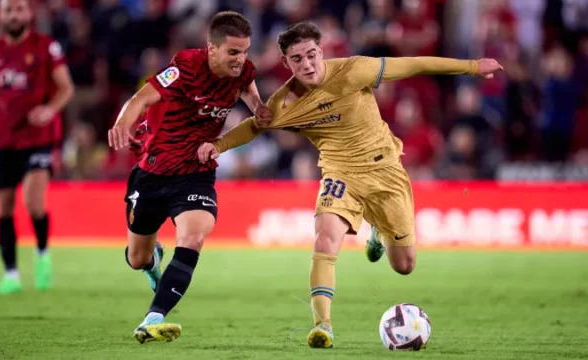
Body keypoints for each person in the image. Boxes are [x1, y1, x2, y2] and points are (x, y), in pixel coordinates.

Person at [197, 21, 503, 349]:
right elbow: (252, 128)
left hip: (386, 173)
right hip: (339, 175)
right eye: (297, 59)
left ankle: (378, 229)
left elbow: (415, 64)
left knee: (404, 266)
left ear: (322, 51)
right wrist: (219, 145)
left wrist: (472, 67)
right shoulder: (284, 104)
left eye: (311, 54)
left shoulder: (355, 71)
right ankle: (322, 325)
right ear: (286, 63)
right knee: (325, 242)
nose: (307, 64)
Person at [107, 11, 272, 344]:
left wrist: (259, 107)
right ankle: (153, 260)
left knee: (193, 238)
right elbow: (141, 98)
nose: (241, 60)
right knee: (137, 257)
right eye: (233, 52)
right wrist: (124, 124)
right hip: (152, 172)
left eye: (245, 51)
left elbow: (250, 92)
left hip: (196, 173)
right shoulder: (184, 68)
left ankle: (153, 318)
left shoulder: (242, 72)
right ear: (211, 49)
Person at [0, 0, 75, 295]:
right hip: (4, 139)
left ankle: (42, 253)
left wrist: (50, 110)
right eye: (8, 10)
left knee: (34, 202)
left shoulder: (46, 47)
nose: (14, 15)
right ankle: (11, 274)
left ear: (29, 13)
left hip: (39, 137)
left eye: (19, 9)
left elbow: (66, 88)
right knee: (4, 208)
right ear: (0, 15)